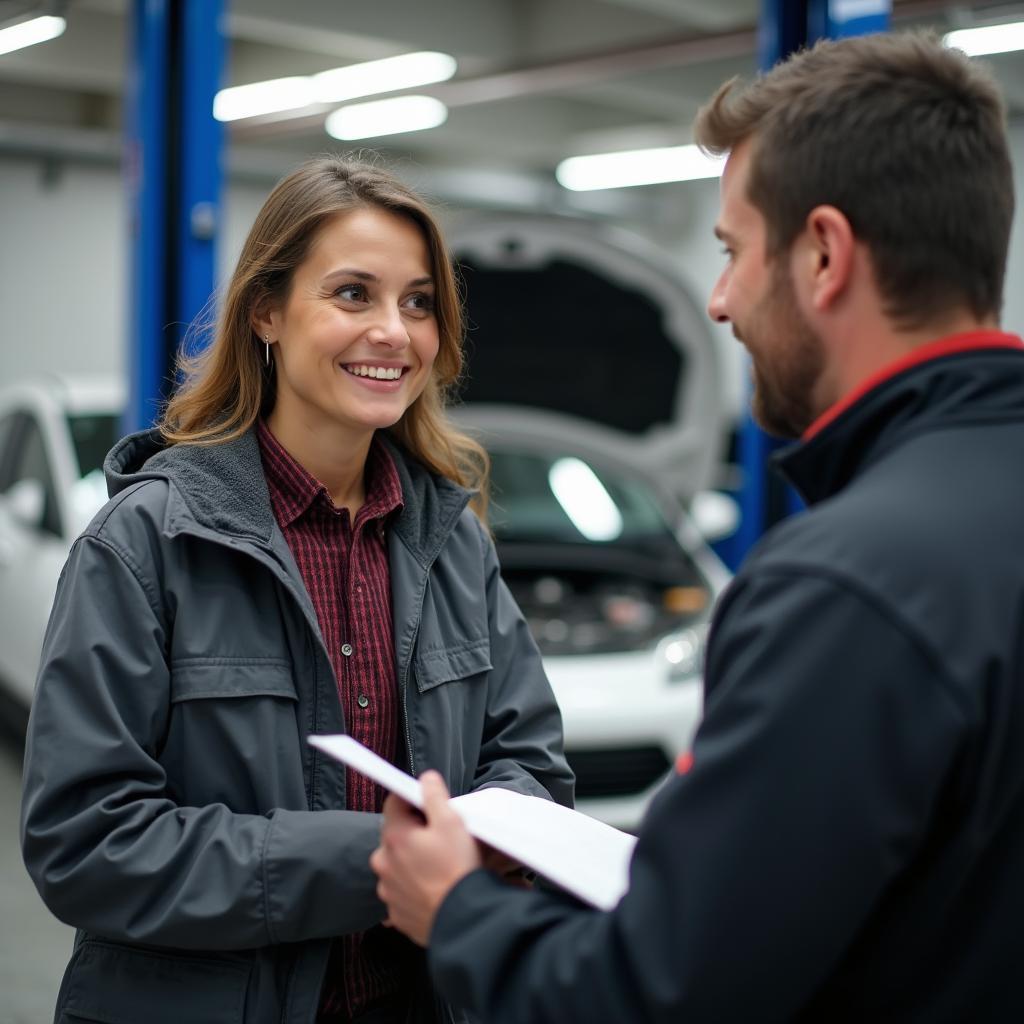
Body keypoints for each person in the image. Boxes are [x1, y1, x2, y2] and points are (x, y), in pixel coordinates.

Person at [370, 30, 1024, 1023]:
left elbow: (651, 1000)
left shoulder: (844, 585)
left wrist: (456, 910)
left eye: (730, 252)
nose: (718, 301)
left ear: (822, 254)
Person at [20, 156, 574, 1024]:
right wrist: (374, 860)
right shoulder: (147, 544)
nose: (394, 331)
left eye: (419, 301)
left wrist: (504, 826)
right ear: (267, 313)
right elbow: (86, 842)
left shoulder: (452, 543)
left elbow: (531, 761)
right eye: (353, 294)